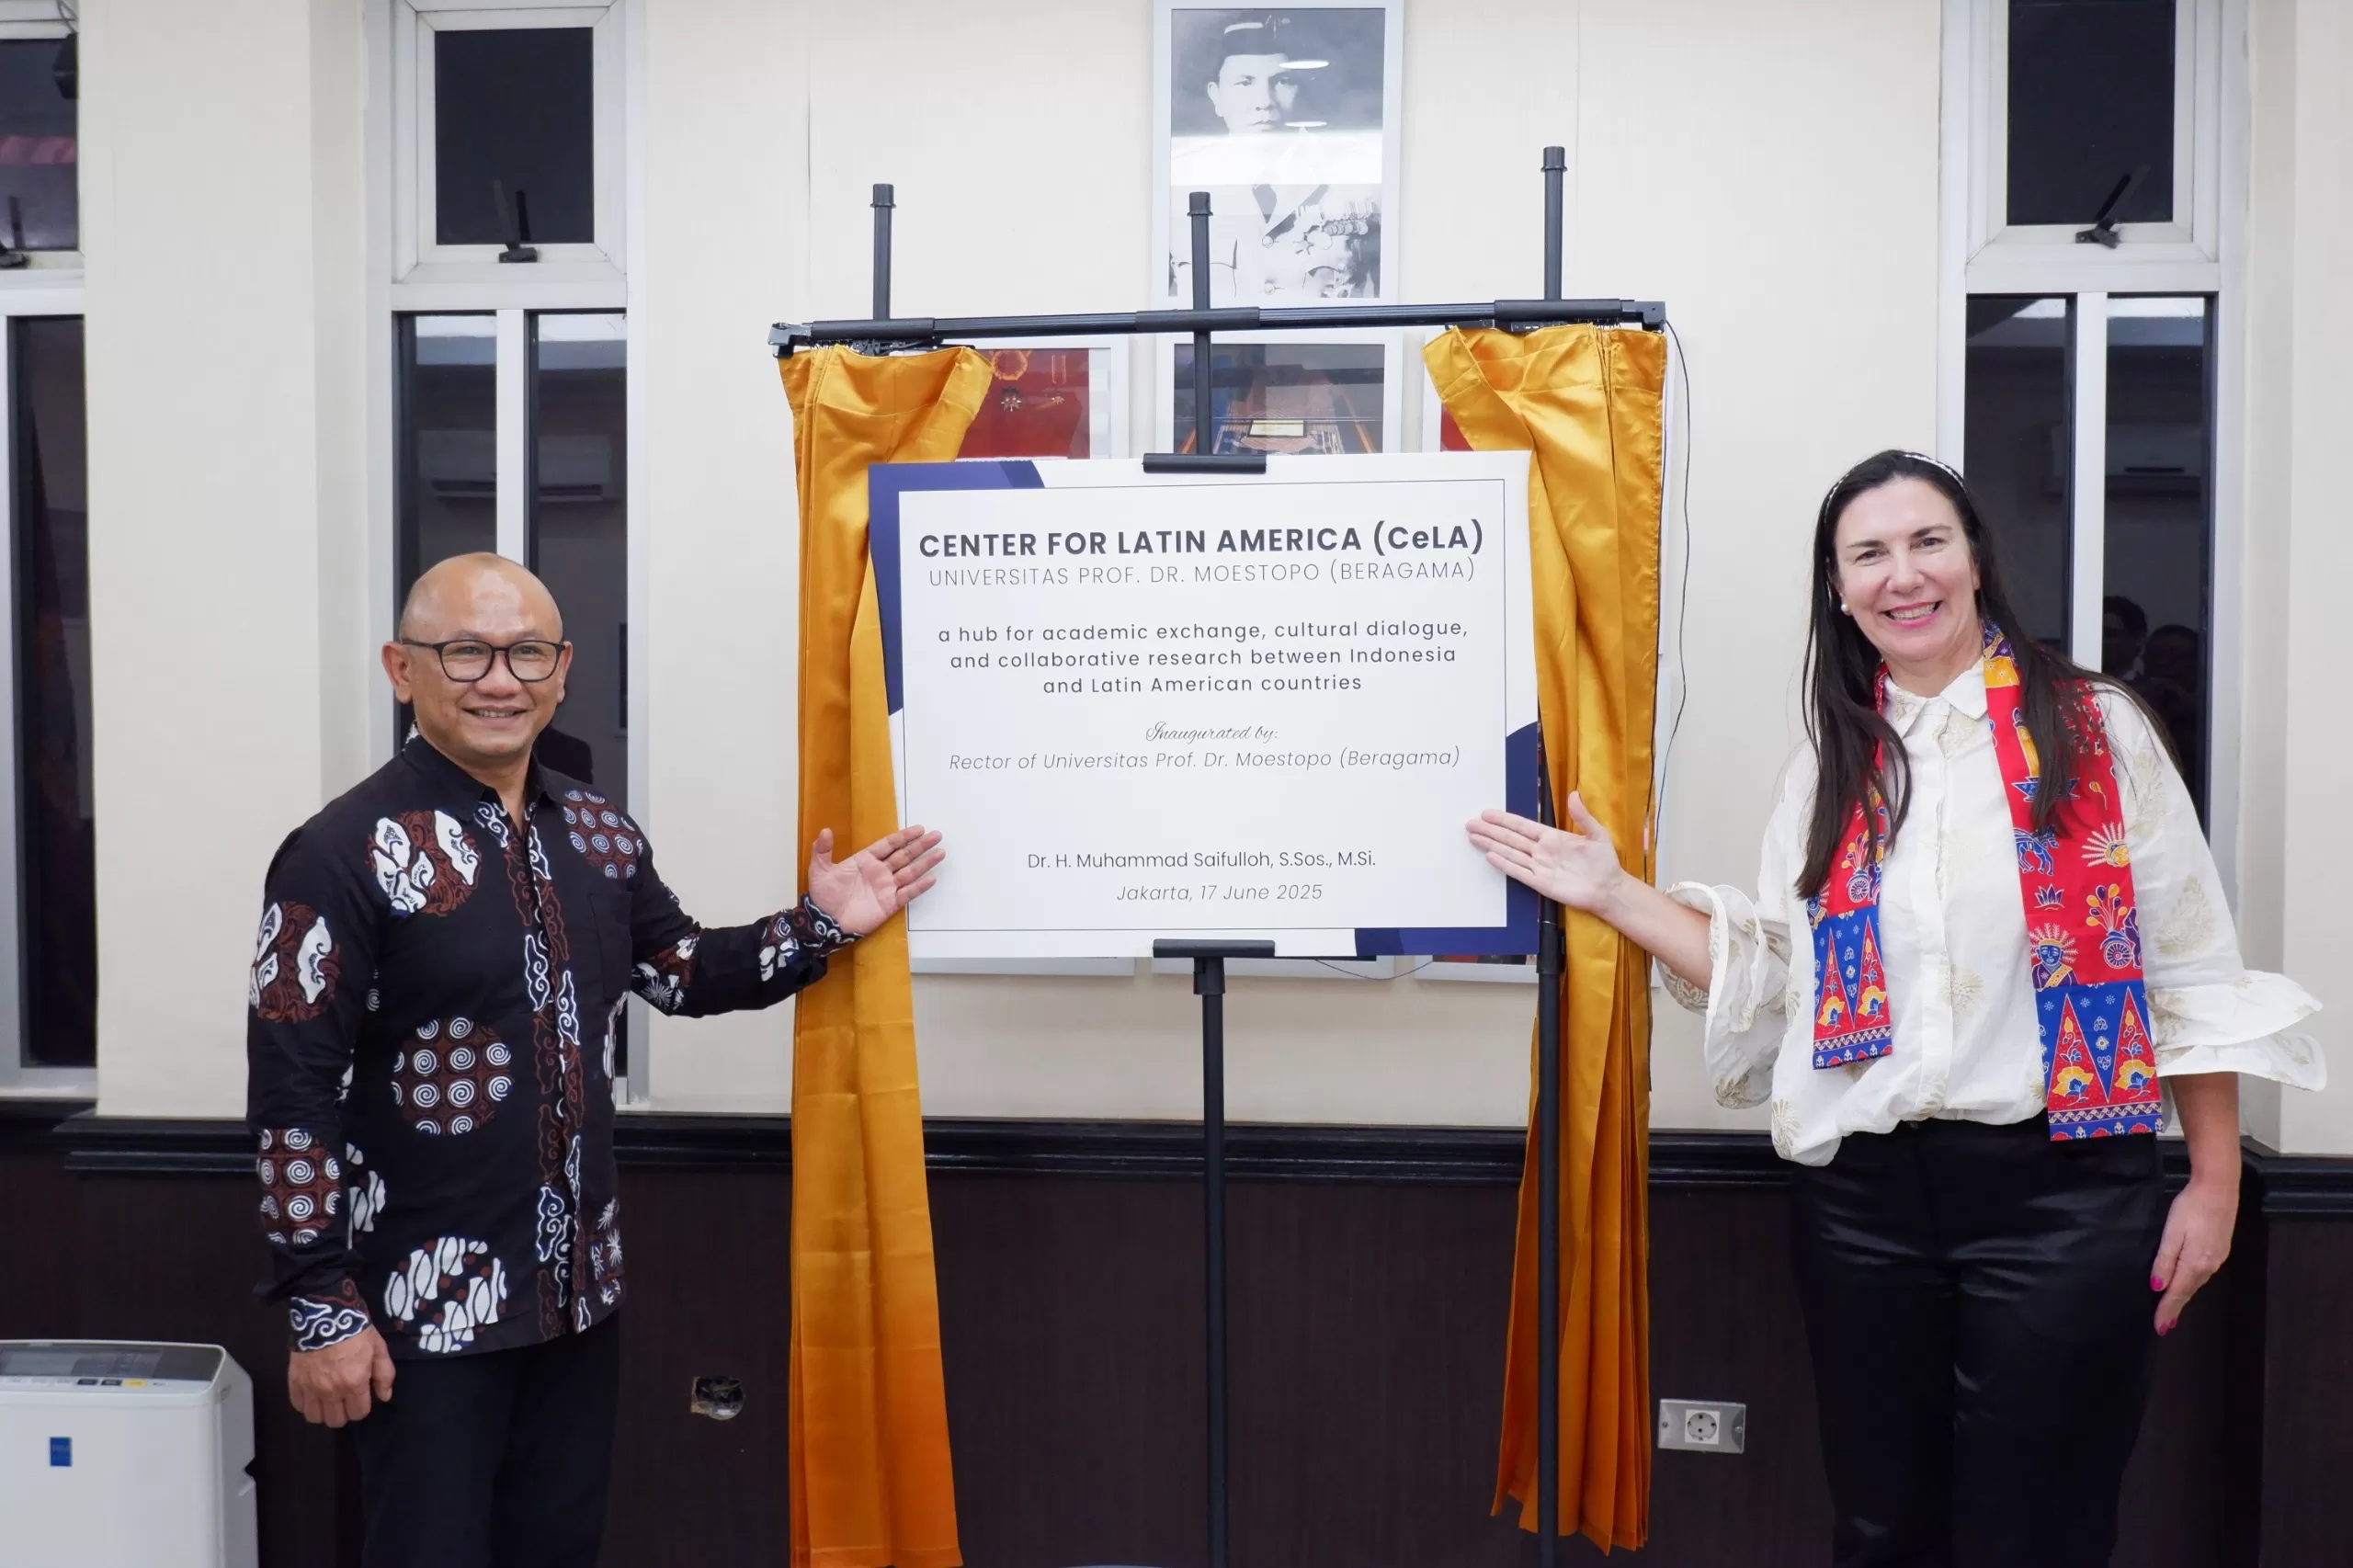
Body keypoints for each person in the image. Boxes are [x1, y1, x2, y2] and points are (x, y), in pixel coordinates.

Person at [1468, 450, 2323, 1567]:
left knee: (2037, 1532)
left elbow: (2185, 961)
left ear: (1974, 558)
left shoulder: (2094, 729)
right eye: (1867, 554)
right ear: (1838, 589)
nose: (1902, 574)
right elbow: (1784, 977)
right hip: (1864, 1202)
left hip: (2061, 1193)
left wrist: (2213, 1182)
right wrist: (1613, 891)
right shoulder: (1834, 761)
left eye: (1927, 541)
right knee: (1881, 1527)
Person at [245, 553, 943, 1568]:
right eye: (466, 653)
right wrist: (319, 1303)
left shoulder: (598, 831)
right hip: (415, 1315)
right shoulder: (338, 850)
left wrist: (820, 923)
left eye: (526, 653)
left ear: (563, 670)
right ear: (402, 668)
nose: (499, 680)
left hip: (576, 1298)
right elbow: (292, 1094)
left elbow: (680, 971)